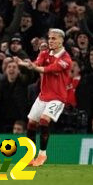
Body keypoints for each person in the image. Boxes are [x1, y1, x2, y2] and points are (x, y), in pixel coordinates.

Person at [16, 29, 72, 167]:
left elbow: (46, 69)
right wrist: (24, 64)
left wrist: (32, 67)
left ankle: (42, 154)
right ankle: (29, 156)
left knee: (44, 121)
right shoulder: (44, 53)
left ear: (61, 40)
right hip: (43, 96)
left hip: (57, 98)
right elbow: (37, 63)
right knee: (31, 124)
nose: (51, 41)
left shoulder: (66, 59)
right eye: (50, 38)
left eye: (54, 38)